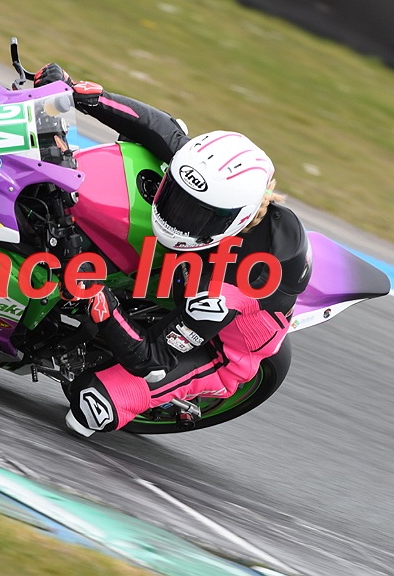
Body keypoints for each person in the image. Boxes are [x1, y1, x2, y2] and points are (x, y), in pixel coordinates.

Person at [32, 64, 313, 437]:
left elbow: (151, 358)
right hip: (190, 264)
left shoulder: (222, 292)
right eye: (178, 196)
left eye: (195, 213)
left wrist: (98, 297)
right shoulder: (213, 184)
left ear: (234, 219)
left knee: (91, 406)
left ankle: (154, 393)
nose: (177, 215)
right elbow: (161, 129)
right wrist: (83, 96)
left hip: (217, 350)